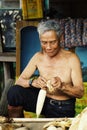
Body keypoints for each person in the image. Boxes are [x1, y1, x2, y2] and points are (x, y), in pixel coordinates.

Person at [7, 19, 84, 118]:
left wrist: (62, 86)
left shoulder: (72, 59)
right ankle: (17, 126)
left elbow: (80, 92)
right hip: (42, 99)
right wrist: (33, 82)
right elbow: (19, 81)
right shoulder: (38, 57)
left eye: (52, 42)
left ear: (61, 39)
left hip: (62, 106)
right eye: (44, 42)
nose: (48, 47)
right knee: (14, 92)